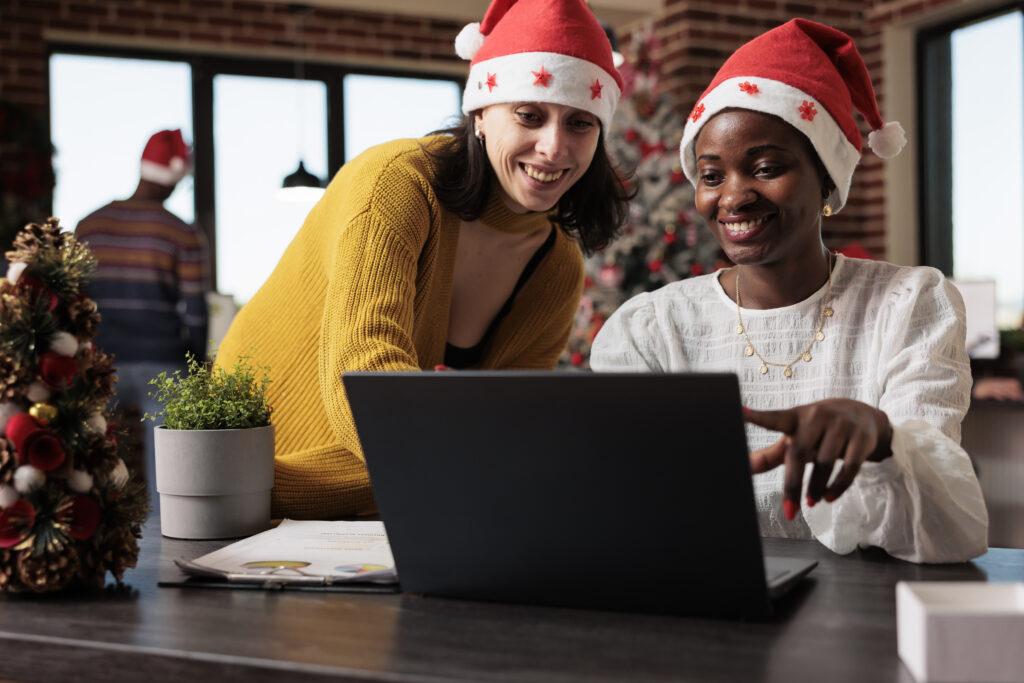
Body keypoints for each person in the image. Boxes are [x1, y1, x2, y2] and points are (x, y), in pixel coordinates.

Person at [591, 19, 989, 563]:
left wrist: (883, 441)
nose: (734, 197)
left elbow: (951, 529)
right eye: (712, 176)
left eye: (766, 168)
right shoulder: (651, 330)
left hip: (864, 603)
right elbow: (619, 506)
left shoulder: (908, 306)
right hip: (700, 597)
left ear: (826, 177)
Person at [215, 0, 631, 519]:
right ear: (480, 114)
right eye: (529, 115)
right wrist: (481, 461)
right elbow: (366, 387)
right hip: (250, 466)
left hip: (381, 495)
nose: (553, 147)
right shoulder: (396, 182)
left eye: (580, 123)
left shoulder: (556, 266)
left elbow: (503, 424)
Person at [75, 129, 210, 511]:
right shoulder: (183, 232)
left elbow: (73, 302)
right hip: (165, 361)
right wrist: (197, 364)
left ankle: (92, 528)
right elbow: (195, 310)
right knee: (174, 476)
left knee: (90, 462)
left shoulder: (88, 226)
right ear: (175, 177)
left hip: (100, 362)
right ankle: (169, 534)